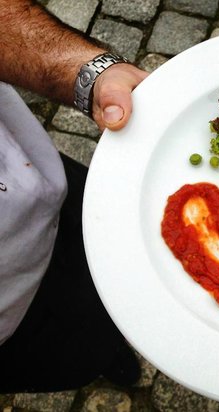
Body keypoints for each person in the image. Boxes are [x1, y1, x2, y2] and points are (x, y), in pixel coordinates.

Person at [0, 0, 150, 392]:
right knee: (79, 358)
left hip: (45, 188)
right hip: (14, 327)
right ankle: (103, 358)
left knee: (137, 260)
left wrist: (93, 75)